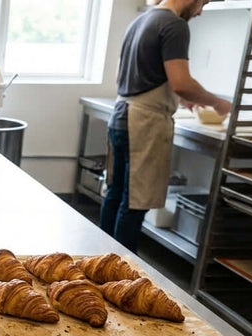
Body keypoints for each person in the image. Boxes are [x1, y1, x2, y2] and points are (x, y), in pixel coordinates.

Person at [100, 0, 231, 252]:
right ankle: (122, 272)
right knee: (135, 202)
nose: (200, 11)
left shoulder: (141, 20)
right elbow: (181, 82)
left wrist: (182, 98)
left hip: (121, 115)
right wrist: (216, 102)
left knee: (115, 194)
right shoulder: (174, 25)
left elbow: (125, 77)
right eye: (202, 3)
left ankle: (98, 262)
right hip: (144, 123)